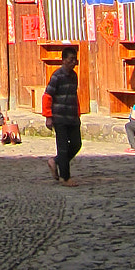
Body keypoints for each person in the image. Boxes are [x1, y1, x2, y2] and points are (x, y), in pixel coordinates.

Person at [45, 46, 82, 183]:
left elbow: (74, 96)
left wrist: (77, 114)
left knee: (76, 144)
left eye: (75, 60)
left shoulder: (74, 76)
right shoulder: (56, 76)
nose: (73, 62)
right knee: (63, 148)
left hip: (72, 116)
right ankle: (64, 178)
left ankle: (55, 161)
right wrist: (48, 116)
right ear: (64, 60)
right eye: (71, 59)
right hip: (59, 117)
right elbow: (48, 96)